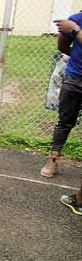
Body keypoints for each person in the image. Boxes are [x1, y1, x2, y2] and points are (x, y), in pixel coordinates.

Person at [40, 17, 82, 177]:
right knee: (64, 122)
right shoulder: (76, 19)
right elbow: (62, 46)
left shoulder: (74, 25)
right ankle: (53, 161)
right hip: (74, 79)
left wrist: (75, 30)